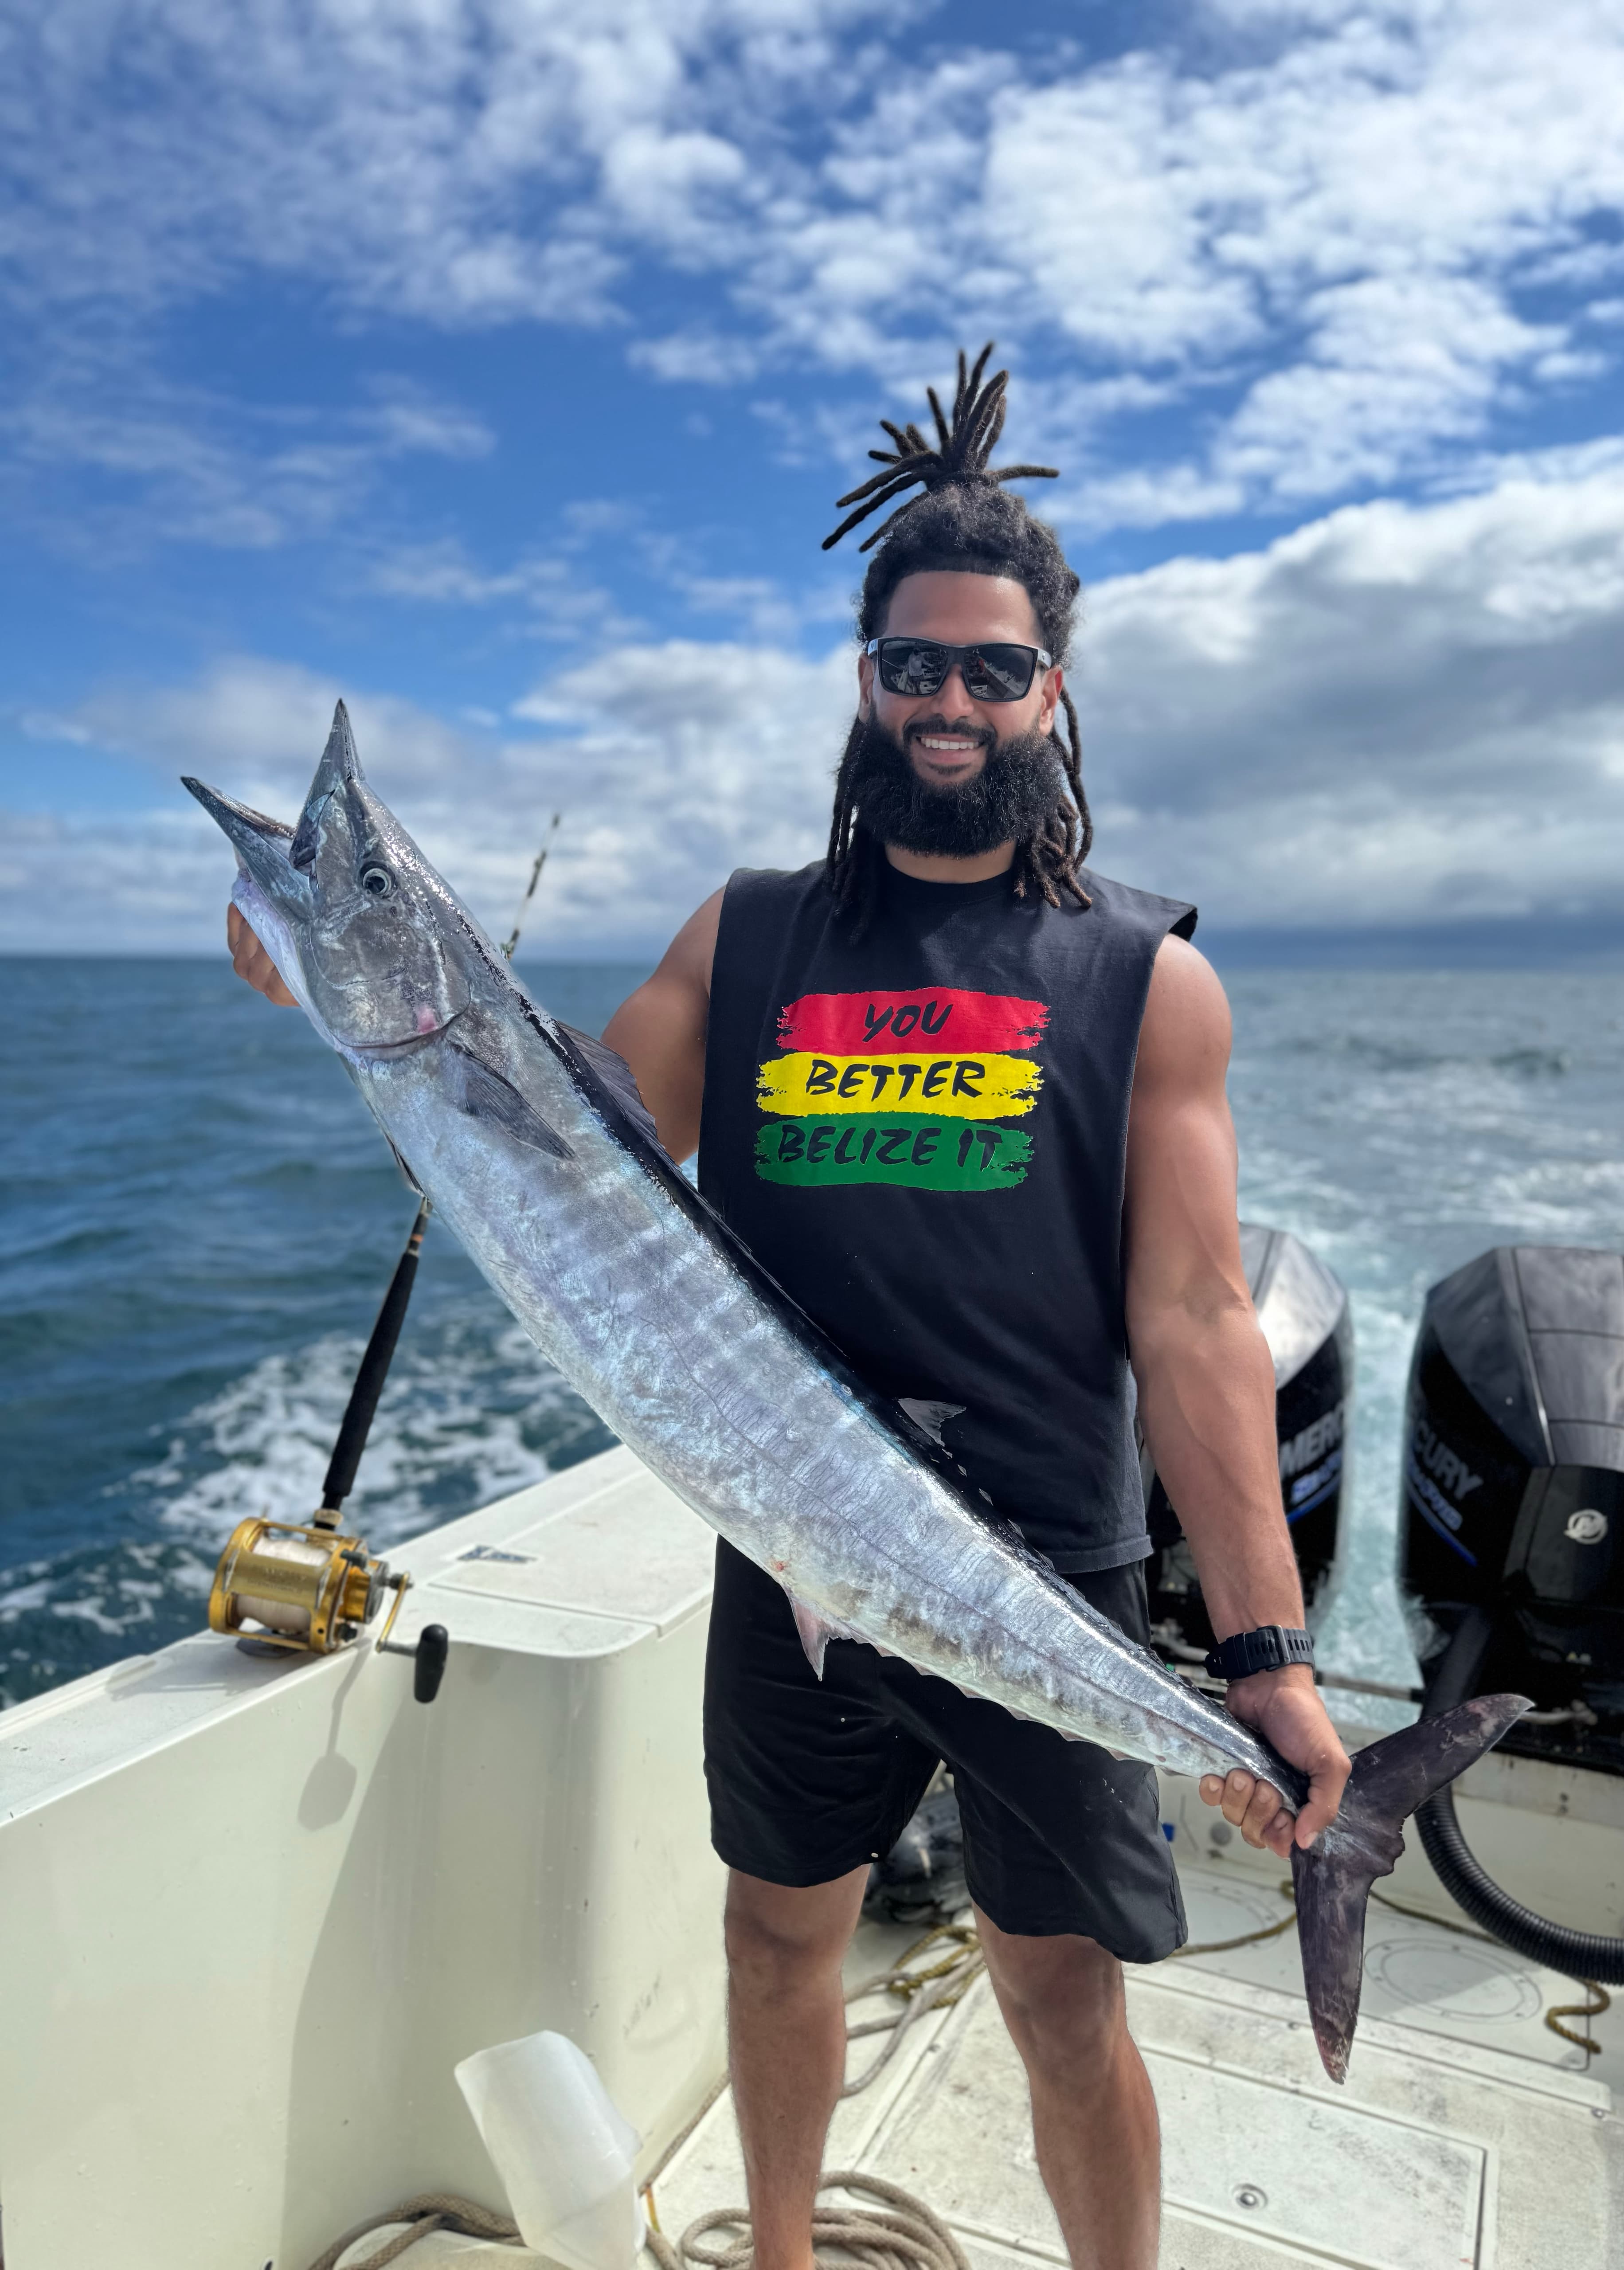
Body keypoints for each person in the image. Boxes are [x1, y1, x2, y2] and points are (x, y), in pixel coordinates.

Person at [227, 347, 1350, 2270]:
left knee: (1063, 1994)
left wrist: (1265, 1647)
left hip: (1044, 1565)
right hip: (786, 1533)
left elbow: (1191, 1326)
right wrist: (333, 976)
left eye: (993, 667)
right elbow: (561, 1120)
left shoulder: (1145, 977)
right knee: (772, 1938)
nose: (950, 699)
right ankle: (777, 2258)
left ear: (1050, 695)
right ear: (864, 675)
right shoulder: (743, 932)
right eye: (914, 660)